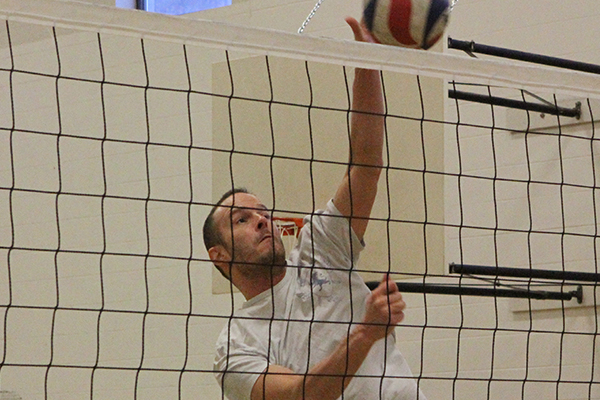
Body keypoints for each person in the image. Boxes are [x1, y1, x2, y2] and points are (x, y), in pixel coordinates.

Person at [204, 17, 426, 400]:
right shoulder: (234, 347)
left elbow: (365, 166)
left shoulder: (321, 247)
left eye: (263, 212)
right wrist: (366, 333)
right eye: (242, 219)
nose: (262, 219)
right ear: (219, 255)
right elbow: (300, 396)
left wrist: (367, 62)